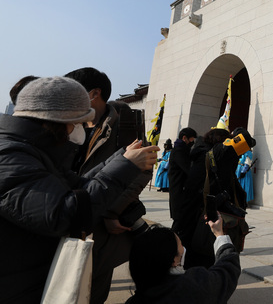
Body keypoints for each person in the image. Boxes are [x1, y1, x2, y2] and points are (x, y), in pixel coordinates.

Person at [0, 76, 158, 303]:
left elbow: (78, 186)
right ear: (54, 120)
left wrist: (120, 161)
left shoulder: (36, 150)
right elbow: (64, 213)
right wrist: (124, 167)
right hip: (16, 284)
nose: (77, 130)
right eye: (75, 122)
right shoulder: (9, 155)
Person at [66, 67, 153, 304]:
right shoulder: (68, 123)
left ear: (94, 94)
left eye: (73, 91)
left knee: (93, 285)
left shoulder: (124, 123)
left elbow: (142, 170)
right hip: (67, 212)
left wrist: (112, 211)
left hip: (102, 221)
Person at [125, 219, 241, 304]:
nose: (183, 248)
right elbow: (227, 270)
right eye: (180, 244)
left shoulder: (135, 300)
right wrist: (220, 235)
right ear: (174, 260)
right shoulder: (193, 286)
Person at [168, 127, 201, 264]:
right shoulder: (180, 151)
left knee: (181, 224)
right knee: (178, 225)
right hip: (180, 194)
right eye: (191, 141)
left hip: (182, 194)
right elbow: (189, 170)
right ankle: (169, 250)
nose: (192, 143)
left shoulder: (182, 150)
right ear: (184, 138)